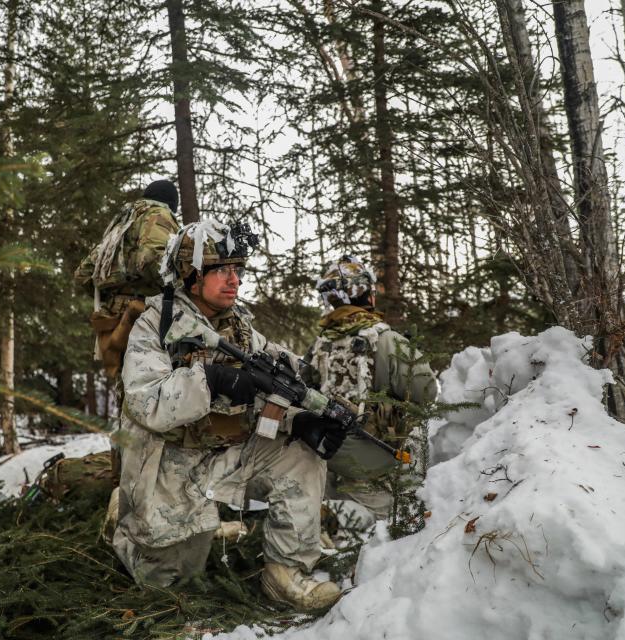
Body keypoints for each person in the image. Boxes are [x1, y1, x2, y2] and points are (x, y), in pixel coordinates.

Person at [112, 219, 344, 610]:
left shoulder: (240, 326)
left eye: (237, 269)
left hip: (224, 456)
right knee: (168, 584)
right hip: (169, 468)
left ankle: (285, 573)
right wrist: (209, 379)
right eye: (221, 270)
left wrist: (299, 419)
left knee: (300, 455)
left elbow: (274, 379)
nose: (233, 280)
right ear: (191, 275)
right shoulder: (156, 324)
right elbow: (146, 403)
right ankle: (125, 515)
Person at [303, 256, 439, 528]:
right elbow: (426, 391)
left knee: (340, 529)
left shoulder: (319, 346)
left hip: (328, 458)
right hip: (378, 462)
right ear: (365, 293)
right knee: (390, 532)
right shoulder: (385, 339)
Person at [76, 179, 181, 380]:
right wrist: (179, 289)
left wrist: (114, 294)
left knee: (126, 389)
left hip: (113, 318)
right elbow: (152, 259)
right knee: (149, 390)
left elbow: (83, 273)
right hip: (142, 316)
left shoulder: (124, 222)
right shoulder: (158, 214)